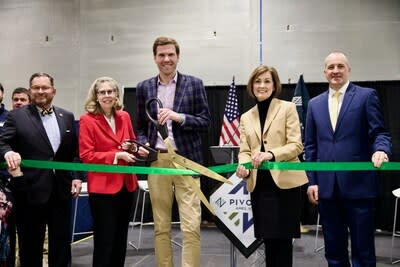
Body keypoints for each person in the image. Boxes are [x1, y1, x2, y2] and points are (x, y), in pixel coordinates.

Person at [305, 51, 392, 266]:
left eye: (340, 66)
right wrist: (312, 181)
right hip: (327, 189)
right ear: (324, 72)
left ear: (349, 70)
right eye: (331, 67)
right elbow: (311, 146)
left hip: (359, 187)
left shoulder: (366, 96)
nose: (335, 71)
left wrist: (381, 150)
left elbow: (380, 132)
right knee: (334, 252)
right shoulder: (314, 104)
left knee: (363, 252)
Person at [135, 36, 211, 267]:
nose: (166, 59)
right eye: (161, 55)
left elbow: (206, 122)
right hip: (157, 161)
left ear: (177, 56)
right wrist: (141, 145)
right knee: (161, 226)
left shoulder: (194, 84)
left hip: (187, 161)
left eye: (170, 54)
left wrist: (180, 117)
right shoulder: (144, 87)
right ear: (155, 58)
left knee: (191, 226)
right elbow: (139, 126)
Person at [0, 72, 82, 267]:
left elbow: (74, 152)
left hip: (61, 191)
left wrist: (77, 177)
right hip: (29, 191)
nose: (40, 91)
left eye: (45, 87)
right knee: (30, 246)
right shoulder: (16, 116)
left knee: (61, 245)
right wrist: (8, 153)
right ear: (31, 90)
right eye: (36, 88)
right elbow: (3, 143)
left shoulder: (67, 116)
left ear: (53, 91)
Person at [235, 65, 308, 267]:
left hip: (285, 185)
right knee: (267, 240)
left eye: (267, 81)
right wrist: (244, 165)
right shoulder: (246, 117)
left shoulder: (287, 108)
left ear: (275, 85)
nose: (262, 85)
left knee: (283, 242)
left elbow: (297, 145)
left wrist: (271, 154)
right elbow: (244, 151)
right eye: (258, 81)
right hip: (260, 186)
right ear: (251, 85)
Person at [79, 76, 147, 267]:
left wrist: (136, 149)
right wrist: (117, 156)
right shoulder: (87, 120)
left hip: (127, 185)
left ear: (117, 94)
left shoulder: (124, 116)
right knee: (104, 239)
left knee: (120, 238)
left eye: (111, 91)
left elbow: (131, 143)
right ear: (96, 96)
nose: (107, 95)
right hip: (102, 189)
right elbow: (86, 155)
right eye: (102, 92)